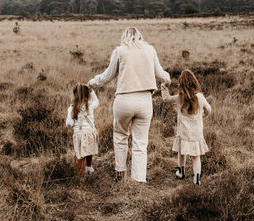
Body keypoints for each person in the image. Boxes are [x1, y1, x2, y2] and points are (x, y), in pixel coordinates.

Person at [88, 26, 170, 183]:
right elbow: (160, 73)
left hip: (124, 100)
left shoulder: (119, 51)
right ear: (139, 36)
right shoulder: (150, 49)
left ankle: (120, 173)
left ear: (124, 37)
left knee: (120, 136)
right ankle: (139, 180)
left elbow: (107, 76)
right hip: (145, 100)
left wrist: (92, 83)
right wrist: (167, 80)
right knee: (140, 142)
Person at [161, 69, 211, 185]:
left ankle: (181, 172)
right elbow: (209, 109)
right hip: (196, 132)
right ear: (194, 82)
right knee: (196, 156)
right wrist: (203, 115)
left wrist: (164, 86)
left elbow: (166, 99)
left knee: (181, 151)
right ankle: (197, 179)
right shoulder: (200, 97)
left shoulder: (180, 98)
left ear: (181, 84)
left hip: (183, 132)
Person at [66, 84, 99, 176]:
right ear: (87, 94)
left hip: (80, 134)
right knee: (89, 150)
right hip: (90, 133)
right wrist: (92, 90)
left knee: (80, 155)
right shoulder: (90, 105)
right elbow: (97, 101)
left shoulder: (72, 108)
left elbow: (69, 123)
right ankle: (89, 167)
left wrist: (69, 125)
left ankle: (81, 176)